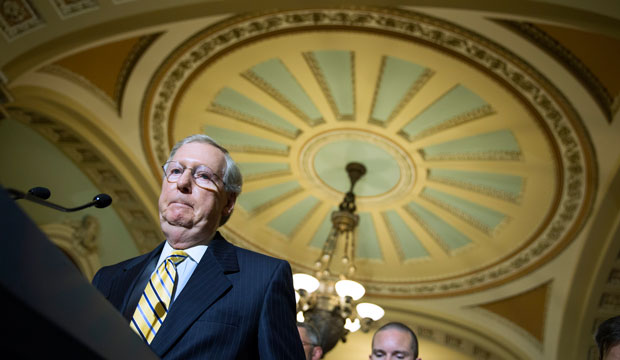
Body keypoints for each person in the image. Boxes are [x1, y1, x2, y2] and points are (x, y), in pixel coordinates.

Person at [92, 134, 305, 359]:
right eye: (175, 171)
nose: (183, 183)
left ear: (228, 202)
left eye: (203, 175)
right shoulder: (108, 278)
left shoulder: (263, 279)